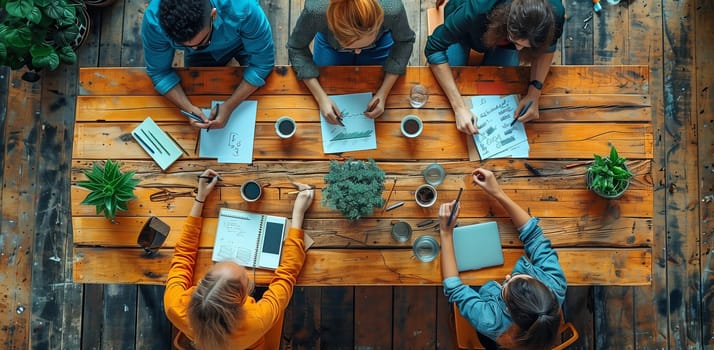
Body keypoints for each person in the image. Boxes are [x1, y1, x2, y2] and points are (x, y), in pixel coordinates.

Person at [163, 169, 315, 349]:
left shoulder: (174, 306)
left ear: (202, 284)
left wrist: (200, 198)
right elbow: (286, 277)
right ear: (242, 296)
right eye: (244, 276)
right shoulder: (256, 320)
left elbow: (183, 255)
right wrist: (298, 214)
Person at [438, 168, 567, 350]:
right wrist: (497, 192)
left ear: (507, 309)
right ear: (543, 287)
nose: (506, 277)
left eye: (506, 286)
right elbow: (534, 236)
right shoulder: (555, 284)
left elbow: (454, 288)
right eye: (518, 277)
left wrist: (445, 232)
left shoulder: (490, 322)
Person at [425, 0, 565, 134]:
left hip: (503, 42)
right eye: (516, 41)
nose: (519, 49)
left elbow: (548, 48)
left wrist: (534, 93)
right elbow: (434, 48)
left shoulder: (554, 15)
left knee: (499, 93)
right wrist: (459, 108)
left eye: (526, 46)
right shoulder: (478, 9)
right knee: (445, 90)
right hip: (466, 31)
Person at [142, 0, 275, 130]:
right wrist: (188, 108)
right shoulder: (154, 21)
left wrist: (229, 106)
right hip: (200, 58)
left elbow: (262, 64)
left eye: (201, 42)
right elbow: (159, 72)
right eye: (183, 45)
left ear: (214, 14)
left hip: (243, 40)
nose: (193, 49)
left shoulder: (244, 7)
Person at [287, 0, 415, 124]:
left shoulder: (391, 8)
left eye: (363, 45)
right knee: (327, 83)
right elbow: (296, 47)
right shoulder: (316, 11)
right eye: (350, 46)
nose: (358, 52)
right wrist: (321, 98)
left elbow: (404, 42)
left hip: (379, 43)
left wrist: (383, 93)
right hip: (331, 46)